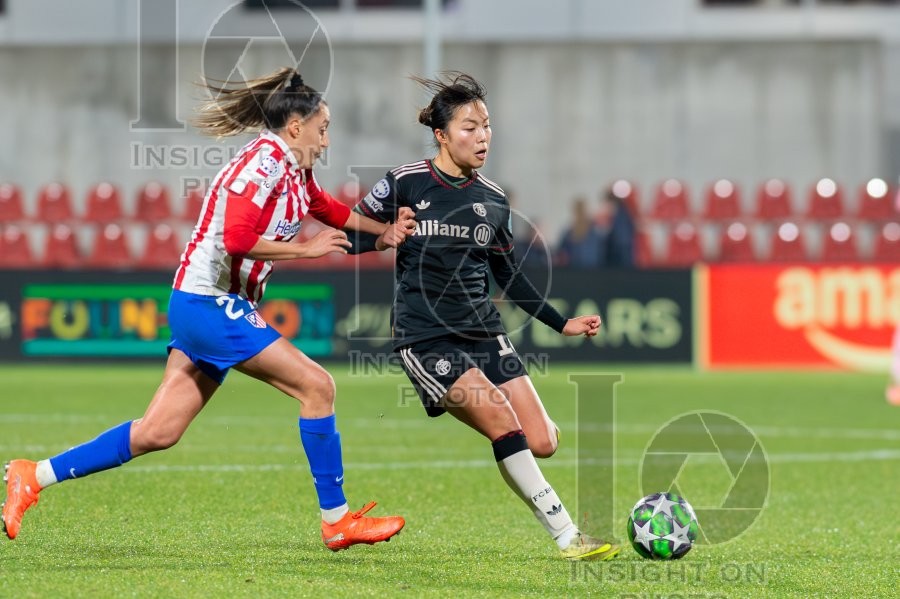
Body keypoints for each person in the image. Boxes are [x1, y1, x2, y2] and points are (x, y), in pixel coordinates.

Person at [2, 67, 415, 551]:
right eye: (323, 129)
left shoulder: (293, 169)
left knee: (158, 431)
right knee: (318, 386)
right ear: (296, 126)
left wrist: (381, 232)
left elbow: (326, 208)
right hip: (209, 303)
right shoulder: (262, 166)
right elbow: (237, 239)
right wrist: (308, 251)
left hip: (204, 305)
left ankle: (34, 475)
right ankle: (337, 519)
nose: (327, 141)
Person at [346, 72, 620, 561]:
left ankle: (523, 435)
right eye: (470, 127)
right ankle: (568, 535)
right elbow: (351, 233)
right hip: (426, 338)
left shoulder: (493, 200)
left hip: (486, 336)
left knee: (542, 442)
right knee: (499, 418)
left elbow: (509, 275)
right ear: (442, 135)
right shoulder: (405, 182)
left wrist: (563, 323)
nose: (483, 136)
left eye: (487, 126)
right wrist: (382, 235)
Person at [556, 195, 606, 268]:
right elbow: (562, 254)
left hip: (593, 271)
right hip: (575, 272)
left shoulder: (596, 231)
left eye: (582, 210)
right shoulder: (568, 234)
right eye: (578, 210)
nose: (580, 213)